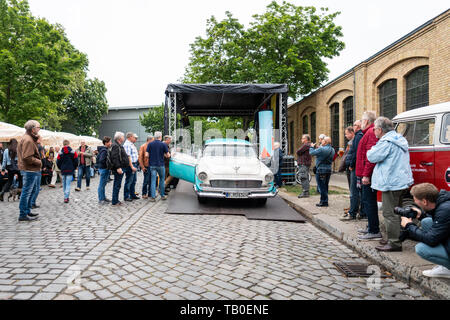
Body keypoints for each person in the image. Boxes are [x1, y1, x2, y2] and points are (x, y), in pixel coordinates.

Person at [367, 117, 414, 252]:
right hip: (400, 181)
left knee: (389, 213)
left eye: (375, 129)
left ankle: (394, 243)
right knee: (397, 211)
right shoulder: (399, 139)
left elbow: (372, 156)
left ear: (380, 130)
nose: (374, 131)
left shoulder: (386, 142)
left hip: (391, 183)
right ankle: (395, 237)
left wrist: (371, 149)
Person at [402, 183, 450, 278]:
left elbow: (431, 239)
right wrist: (421, 215)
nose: (415, 203)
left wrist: (409, 226)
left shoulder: (445, 210)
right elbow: (440, 222)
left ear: (424, 201)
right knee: (426, 221)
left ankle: (448, 268)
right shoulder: (443, 201)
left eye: (416, 200)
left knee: (421, 249)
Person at [356, 111, 381, 241]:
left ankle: (374, 230)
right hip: (365, 174)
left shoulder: (371, 133)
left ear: (366, 121)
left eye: (361, 120)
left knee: (369, 202)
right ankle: (370, 227)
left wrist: (366, 175)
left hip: (368, 176)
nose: (360, 123)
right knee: (367, 201)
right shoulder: (369, 132)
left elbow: (370, 157)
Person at [17, 120, 42, 221]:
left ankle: (26, 211)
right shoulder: (28, 140)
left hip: (29, 169)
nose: (39, 130)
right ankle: (23, 214)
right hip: (29, 169)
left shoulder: (28, 138)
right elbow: (27, 157)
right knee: (26, 192)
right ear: (33, 129)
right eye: (38, 128)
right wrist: (39, 162)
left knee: (29, 191)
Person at [343, 120, 363, 221]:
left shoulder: (358, 136)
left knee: (354, 191)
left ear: (358, 126)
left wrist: (351, 164)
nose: (353, 126)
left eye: (354, 125)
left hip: (355, 167)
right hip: (355, 166)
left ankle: (353, 212)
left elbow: (356, 152)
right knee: (356, 190)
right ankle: (357, 211)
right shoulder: (359, 136)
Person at [309, 136, 335, 207]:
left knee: (321, 186)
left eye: (322, 140)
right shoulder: (332, 149)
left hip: (321, 169)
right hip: (328, 169)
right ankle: (324, 200)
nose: (321, 141)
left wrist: (311, 147)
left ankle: (324, 202)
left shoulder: (322, 149)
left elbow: (311, 153)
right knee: (325, 186)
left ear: (325, 142)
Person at [146, 131, 170, 202]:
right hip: (161, 165)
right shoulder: (163, 144)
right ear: (160, 136)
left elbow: (146, 155)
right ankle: (162, 195)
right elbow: (168, 155)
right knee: (162, 180)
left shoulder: (150, 144)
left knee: (153, 181)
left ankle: (153, 197)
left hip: (152, 165)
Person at [109, 132, 130, 206]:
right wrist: (118, 167)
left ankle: (115, 200)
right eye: (123, 137)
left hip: (121, 167)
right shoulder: (116, 146)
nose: (124, 138)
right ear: (119, 138)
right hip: (119, 168)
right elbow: (115, 157)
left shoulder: (118, 145)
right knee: (117, 185)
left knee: (117, 184)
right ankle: (115, 201)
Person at [123, 132, 140, 202]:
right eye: (133, 137)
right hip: (131, 165)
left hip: (134, 164)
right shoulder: (127, 144)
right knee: (129, 181)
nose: (134, 138)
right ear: (130, 137)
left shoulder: (131, 144)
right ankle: (126, 196)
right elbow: (128, 156)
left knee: (133, 180)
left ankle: (132, 194)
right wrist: (132, 166)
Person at [97, 136, 112, 204]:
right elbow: (101, 160)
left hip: (104, 168)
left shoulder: (105, 149)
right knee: (101, 185)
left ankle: (103, 197)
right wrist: (107, 165)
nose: (111, 143)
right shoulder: (104, 150)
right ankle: (101, 199)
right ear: (106, 143)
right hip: (104, 169)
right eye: (110, 142)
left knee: (103, 184)